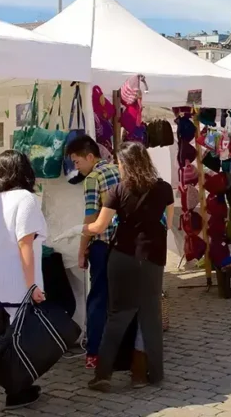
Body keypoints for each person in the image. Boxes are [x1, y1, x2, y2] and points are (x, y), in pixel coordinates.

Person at [84, 142, 173, 392]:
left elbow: (100, 226)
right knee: (151, 317)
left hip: (123, 257)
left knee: (117, 317)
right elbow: (168, 222)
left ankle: (103, 375)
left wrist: (83, 229)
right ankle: (152, 374)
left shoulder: (118, 190)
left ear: (126, 164)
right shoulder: (164, 188)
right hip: (153, 257)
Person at [0, 150, 48, 409]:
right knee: (22, 336)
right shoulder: (26, 199)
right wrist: (32, 286)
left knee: (13, 332)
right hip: (19, 278)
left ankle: (20, 385)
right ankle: (16, 390)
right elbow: (25, 244)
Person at [65, 135, 120, 370]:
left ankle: (95, 351)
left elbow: (90, 216)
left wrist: (81, 249)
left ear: (90, 157)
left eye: (77, 162)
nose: (76, 167)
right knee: (119, 299)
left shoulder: (93, 178)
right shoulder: (118, 171)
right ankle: (120, 348)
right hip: (124, 245)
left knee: (97, 298)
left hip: (102, 244)